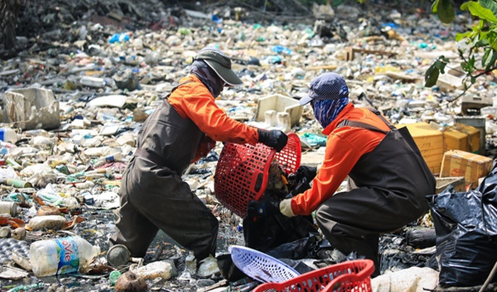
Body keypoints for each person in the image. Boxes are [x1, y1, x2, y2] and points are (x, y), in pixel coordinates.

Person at [110, 46, 288, 276]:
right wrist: (263, 135)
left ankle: (115, 265)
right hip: (155, 176)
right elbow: (219, 125)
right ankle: (204, 268)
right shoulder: (194, 90)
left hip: (134, 175)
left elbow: (184, 140)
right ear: (210, 74)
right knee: (206, 228)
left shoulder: (178, 93)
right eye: (222, 81)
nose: (222, 88)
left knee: (128, 248)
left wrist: (207, 142)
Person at [247, 72, 435, 277]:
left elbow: (315, 200)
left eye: (315, 105)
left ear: (326, 104)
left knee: (328, 213)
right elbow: (356, 160)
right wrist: (315, 171)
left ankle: (366, 271)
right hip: (423, 188)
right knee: (355, 186)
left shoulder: (343, 134)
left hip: (406, 199)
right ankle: (371, 261)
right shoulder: (364, 114)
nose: (313, 111)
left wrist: (278, 208)